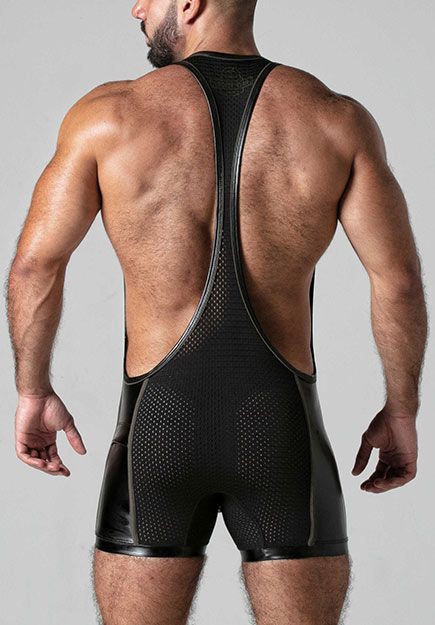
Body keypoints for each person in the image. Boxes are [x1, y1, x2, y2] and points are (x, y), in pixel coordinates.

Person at [6, 1, 427, 624]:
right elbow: (399, 281)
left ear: (190, 3)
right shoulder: (335, 119)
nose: (137, 8)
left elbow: (35, 266)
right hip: (280, 432)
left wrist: (33, 390)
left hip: (157, 431)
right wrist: (401, 409)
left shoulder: (108, 116)